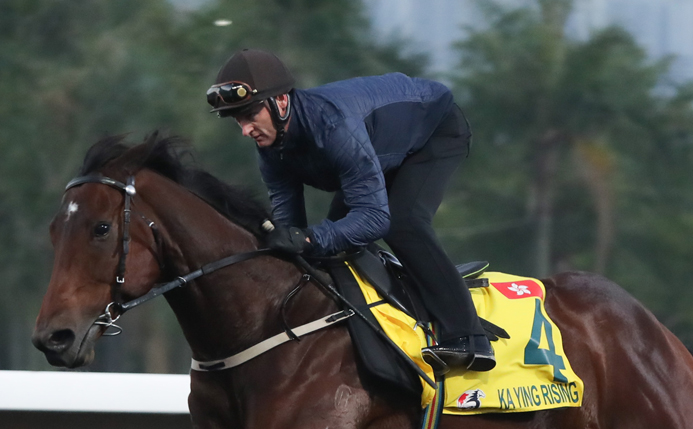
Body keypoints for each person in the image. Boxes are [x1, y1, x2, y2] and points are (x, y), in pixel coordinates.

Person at [207, 48, 495, 376]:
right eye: (237, 120)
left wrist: (309, 238)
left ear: (281, 102)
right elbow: (291, 230)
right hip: (376, 148)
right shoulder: (271, 151)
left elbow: (374, 218)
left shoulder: (332, 126)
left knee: (403, 223)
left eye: (249, 115)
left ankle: (469, 337)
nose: (245, 129)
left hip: (433, 132)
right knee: (330, 243)